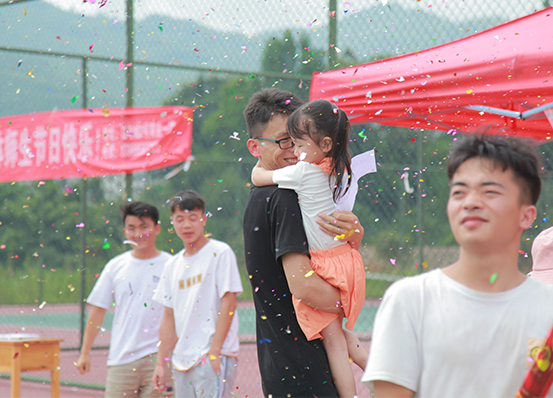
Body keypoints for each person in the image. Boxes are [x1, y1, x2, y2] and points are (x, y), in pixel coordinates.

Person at [362, 135, 553, 397]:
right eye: (459, 192)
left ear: (527, 214)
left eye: (490, 192)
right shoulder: (410, 300)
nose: (470, 202)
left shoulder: (548, 307)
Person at [243, 88, 365, 397]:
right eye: (284, 141)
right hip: (305, 369)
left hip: (285, 366)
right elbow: (304, 285)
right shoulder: (282, 198)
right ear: (254, 147)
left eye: (297, 140)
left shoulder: (279, 192)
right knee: (345, 341)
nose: (293, 150)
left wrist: (353, 236)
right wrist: (347, 302)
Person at [76, 201, 173, 397]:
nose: (138, 234)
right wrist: (85, 352)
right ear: (125, 231)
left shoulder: (171, 265)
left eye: (144, 226)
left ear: (157, 228)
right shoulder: (115, 266)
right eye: (132, 228)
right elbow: (98, 310)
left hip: (159, 360)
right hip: (121, 360)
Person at [151, 190, 242, 398]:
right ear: (172, 222)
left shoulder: (220, 253)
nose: (186, 225)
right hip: (182, 361)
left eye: (193, 218)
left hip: (212, 356)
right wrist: (161, 363)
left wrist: (215, 351)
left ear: (203, 219)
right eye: (180, 219)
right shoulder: (172, 265)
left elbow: (229, 303)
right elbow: (168, 317)